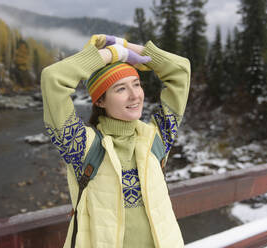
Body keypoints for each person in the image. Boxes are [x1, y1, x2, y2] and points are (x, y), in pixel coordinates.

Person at [41, 34, 191, 248]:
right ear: (100, 100)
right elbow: (52, 78)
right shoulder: (82, 146)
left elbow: (181, 70)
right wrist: (110, 55)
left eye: (136, 84)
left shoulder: (156, 139)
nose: (135, 96)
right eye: (120, 88)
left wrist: (128, 47)